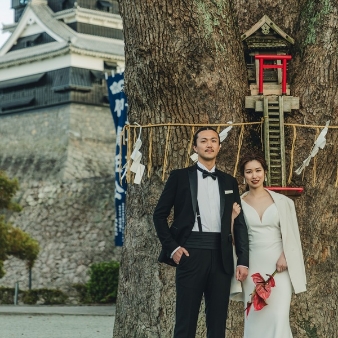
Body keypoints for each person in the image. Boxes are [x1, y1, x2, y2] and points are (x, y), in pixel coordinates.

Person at [153, 126, 249, 338]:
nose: (209, 144)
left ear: (219, 146)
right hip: (190, 252)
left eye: (213, 140)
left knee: (217, 322)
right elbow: (159, 215)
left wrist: (242, 260)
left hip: (221, 256)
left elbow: (239, 223)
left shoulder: (229, 181)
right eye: (203, 141)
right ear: (195, 147)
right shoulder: (179, 177)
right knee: (185, 321)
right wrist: (173, 247)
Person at [232, 152, 306, 338]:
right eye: (249, 172)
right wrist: (232, 218)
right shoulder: (237, 203)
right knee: (255, 317)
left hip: (279, 266)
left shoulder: (283, 202)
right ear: (244, 176)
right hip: (252, 266)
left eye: (258, 170)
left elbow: (292, 235)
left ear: (264, 172)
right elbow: (235, 240)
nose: (254, 175)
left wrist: (285, 255)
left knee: (279, 316)